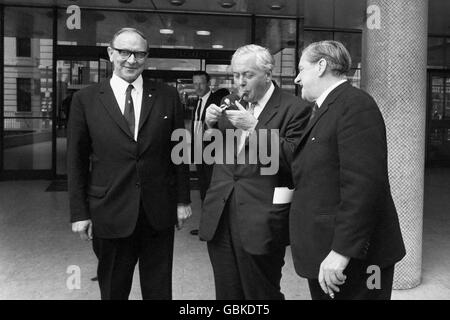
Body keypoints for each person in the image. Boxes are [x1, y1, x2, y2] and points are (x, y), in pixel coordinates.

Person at [67, 27, 192, 300]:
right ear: (111, 53)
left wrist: (183, 200)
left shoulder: (167, 96)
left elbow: (179, 153)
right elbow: (75, 160)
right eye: (124, 52)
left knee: (159, 290)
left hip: (157, 212)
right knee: (113, 289)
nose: (131, 60)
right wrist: (79, 212)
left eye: (139, 54)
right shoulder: (85, 100)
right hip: (109, 211)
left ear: (146, 57)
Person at [290, 40, 406, 300]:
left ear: (321, 66)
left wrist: (342, 252)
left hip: (356, 259)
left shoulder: (355, 105)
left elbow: (364, 185)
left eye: (301, 69)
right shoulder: (324, 108)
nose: (297, 79)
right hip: (326, 249)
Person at [199, 44, 310, 299]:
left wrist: (255, 128)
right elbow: (208, 154)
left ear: (268, 74)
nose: (239, 82)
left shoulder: (295, 109)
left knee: (261, 294)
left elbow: (295, 160)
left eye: (247, 75)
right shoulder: (229, 103)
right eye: (236, 76)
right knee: (227, 294)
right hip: (221, 214)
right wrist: (208, 126)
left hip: (261, 220)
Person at [190, 71, 229, 236]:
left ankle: (214, 228)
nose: (197, 87)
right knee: (203, 189)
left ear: (208, 84)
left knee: (212, 191)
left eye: (201, 83)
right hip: (200, 152)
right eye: (195, 83)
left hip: (213, 153)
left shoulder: (216, 102)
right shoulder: (197, 102)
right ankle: (207, 225)